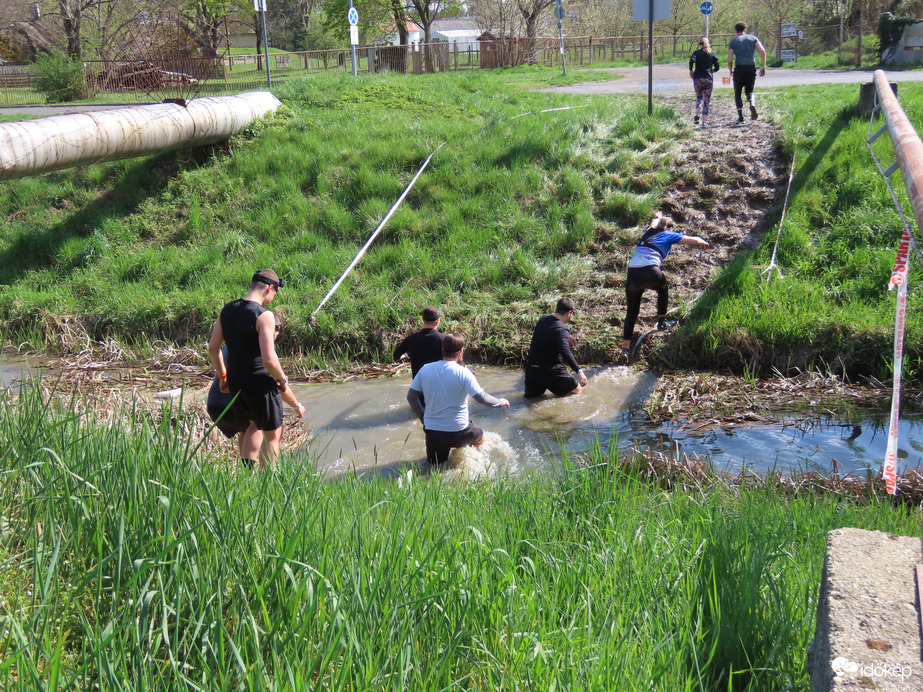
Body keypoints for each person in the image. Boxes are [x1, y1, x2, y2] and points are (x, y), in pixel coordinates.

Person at [207, 269, 304, 470]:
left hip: (236, 381)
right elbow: (269, 359)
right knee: (273, 434)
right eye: (274, 294)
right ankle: (269, 478)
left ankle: (246, 475)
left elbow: (213, 348)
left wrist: (223, 376)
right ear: (270, 288)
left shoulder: (227, 310)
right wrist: (282, 379)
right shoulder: (264, 315)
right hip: (260, 383)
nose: (272, 299)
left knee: (253, 425)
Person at [407, 334, 510, 465]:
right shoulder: (464, 372)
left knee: (435, 467)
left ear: (442, 349)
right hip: (460, 432)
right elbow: (481, 398)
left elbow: (411, 396)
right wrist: (500, 402)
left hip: (433, 433)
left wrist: (423, 417)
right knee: (481, 438)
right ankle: (478, 465)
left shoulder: (425, 369)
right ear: (461, 351)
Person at [620, 213, 710, 354]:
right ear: (669, 228)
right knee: (663, 289)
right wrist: (704, 242)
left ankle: (625, 348)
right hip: (651, 270)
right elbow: (694, 240)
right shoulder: (668, 234)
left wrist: (657, 216)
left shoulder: (648, 232)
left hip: (632, 274)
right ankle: (661, 323)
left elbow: (654, 223)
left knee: (631, 312)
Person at [523, 297, 588, 398]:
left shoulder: (543, 319)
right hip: (551, 371)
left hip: (532, 368)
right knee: (577, 391)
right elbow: (565, 351)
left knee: (532, 400)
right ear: (570, 313)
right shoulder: (562, 330)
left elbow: (551, 330)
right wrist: (579, 371)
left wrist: (567, 336)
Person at [727, 22, 767, 124]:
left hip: (739, 68)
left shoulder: (733, 41)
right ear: (745, 29)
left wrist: (731, 70)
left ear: (736, 31)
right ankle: (752, 103)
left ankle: (741, 118)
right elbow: (762, 51)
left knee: (738, 93)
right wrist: (763, 66)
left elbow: (730, 60)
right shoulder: (753, 39)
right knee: (749, 90)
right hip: (751, 67)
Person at [393, 306, 445, 378]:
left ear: (423, 319)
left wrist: (408, 355)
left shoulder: (411, 339)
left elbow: (396, 356)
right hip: (438, 380)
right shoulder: (444, 339)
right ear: (437, 321)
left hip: (418, 382)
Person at [689, 37, 720, 128]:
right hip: (708, 79)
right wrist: (711, 71)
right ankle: (704, 122)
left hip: (698, 78)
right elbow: (717, 67)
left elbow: (692, 60)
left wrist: (691, 70)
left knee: (699, 97)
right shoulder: (712, 54)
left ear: (700, 45)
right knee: (706, 101)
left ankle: (697, 113)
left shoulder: (696, 53)